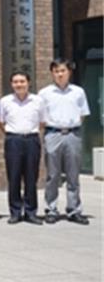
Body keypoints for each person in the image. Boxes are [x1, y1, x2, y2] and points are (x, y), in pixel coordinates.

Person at [39, 58, 91, 225]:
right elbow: (40, 117)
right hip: (52, 134)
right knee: (52, 175)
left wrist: (70, 127)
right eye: (56, 71)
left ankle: (74, 210)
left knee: (73, 175)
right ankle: (51, 209)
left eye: (63, 71)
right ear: (52, 73)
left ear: (69, 72)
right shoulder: (44, 93)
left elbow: (82, 115)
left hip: (72, 134)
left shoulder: (78, 92)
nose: (60, 74)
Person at [0, 71, 44, 225]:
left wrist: (29, 133)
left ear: (28, 83)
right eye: (16, 82)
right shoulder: (5, 101)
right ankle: (15, 212)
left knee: (31, 177)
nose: (19, 84)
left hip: (32, 140)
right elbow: (1, 122)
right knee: (14, 177)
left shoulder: (38, 101)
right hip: (13, 140)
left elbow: (42, 122)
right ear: (11, 84)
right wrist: (13, 134)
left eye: (22, 81)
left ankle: (31, 212)